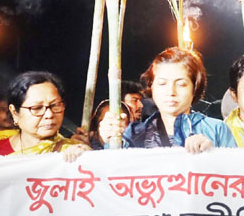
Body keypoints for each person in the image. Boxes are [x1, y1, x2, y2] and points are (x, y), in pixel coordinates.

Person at [99, 47, 236, 152]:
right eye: (162, 83)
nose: (171, 92)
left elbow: (235, 173)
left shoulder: (217, 130)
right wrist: (110, 142)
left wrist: (213, 155)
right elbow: (114, 172)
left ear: (195, 88)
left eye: (181, 84)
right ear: (152, 87)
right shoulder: (133, 134)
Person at [0, 71, 89, 162]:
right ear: (15, 113)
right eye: (37, 108)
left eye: (55, 105)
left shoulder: (75, 151)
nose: (49, 115)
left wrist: (89, 159)